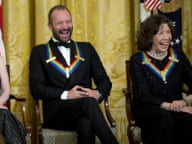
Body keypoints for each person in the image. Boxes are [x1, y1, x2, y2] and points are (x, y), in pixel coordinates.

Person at [29, 4, 118, 144]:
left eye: (68, 21)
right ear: (50, 26)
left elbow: (105, 81)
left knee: (86, 123)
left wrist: (97, 93)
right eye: (59, 23)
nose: (65, 26)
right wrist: (66, 94)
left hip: (86, 112)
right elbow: (36, 88)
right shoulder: (39, 52)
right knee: (88, 103)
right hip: (57, 115)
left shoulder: (87, 49)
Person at [130, 14, 192, 144]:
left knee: (187, 120)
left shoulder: (178, 56)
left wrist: (185, 102)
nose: (166, 37)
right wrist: (171, 106)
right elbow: (143, 95)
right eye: (160, 33)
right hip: (147, 108)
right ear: (150, 36)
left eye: (168, 32)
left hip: (175, 106)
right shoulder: (137, 59)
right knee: (165, 119)